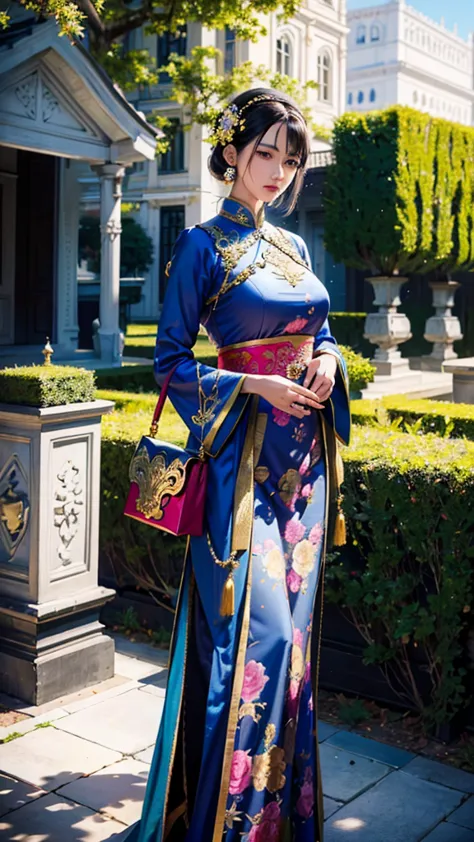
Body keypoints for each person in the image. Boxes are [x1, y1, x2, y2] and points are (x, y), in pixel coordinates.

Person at [126, 87, 351, 842]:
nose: (280, 172)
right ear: (231, 151)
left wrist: (328, 357)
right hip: (241, 470)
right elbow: (166, 365)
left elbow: (321, 329)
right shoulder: (201, 246)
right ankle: (225, 827)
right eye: (266, 154)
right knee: (260, 643)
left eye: (291, 160)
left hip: (306, 476)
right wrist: (249, 382)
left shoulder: (294, 248)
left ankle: (279, 822)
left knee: (295, 656)